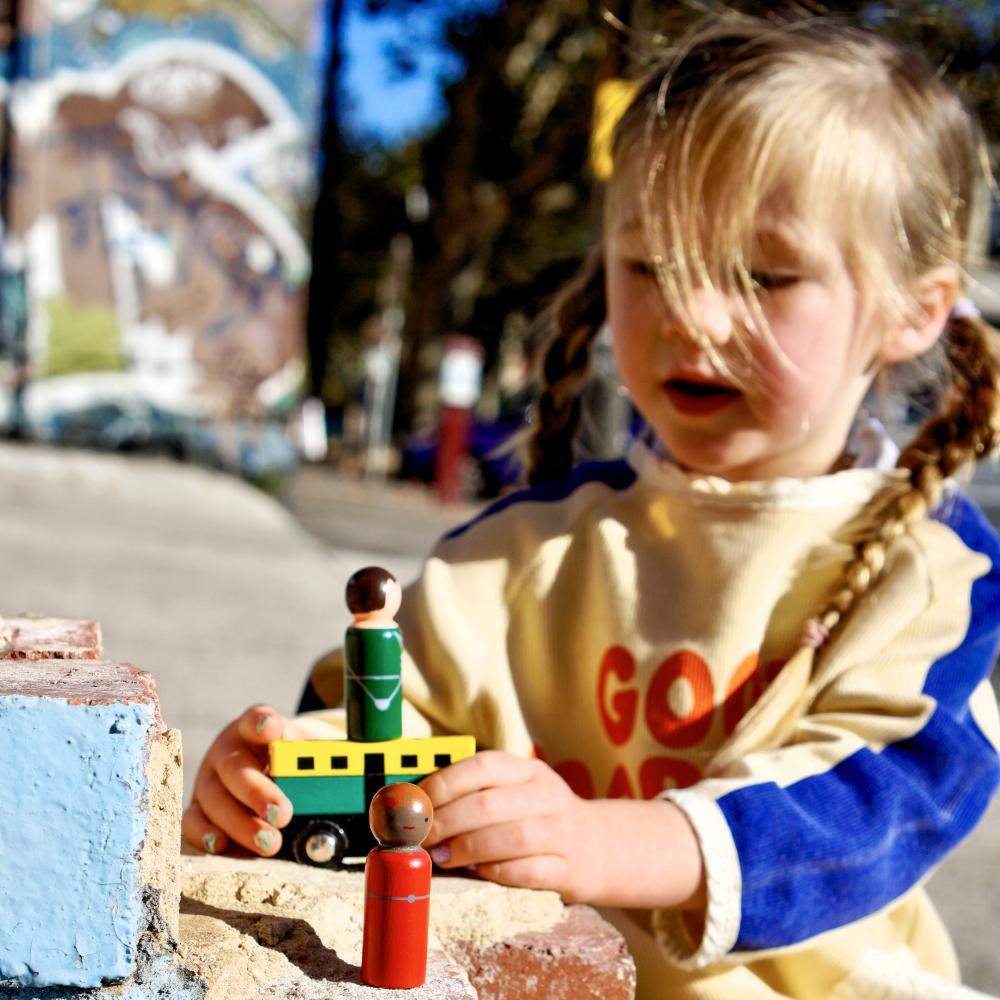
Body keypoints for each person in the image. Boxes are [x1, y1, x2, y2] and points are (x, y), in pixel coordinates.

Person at [183, 13, 1000, 998]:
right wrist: (274, 783)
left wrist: (597, 839)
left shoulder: (931, 572)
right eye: (650, 265)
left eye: (763, 275)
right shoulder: (509, 554)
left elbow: (876, 810)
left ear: (913, 308)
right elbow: (381, 736)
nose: (693, 317)